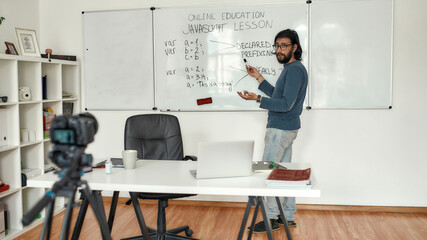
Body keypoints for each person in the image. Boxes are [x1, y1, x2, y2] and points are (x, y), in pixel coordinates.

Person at [237, 29, 308, 233]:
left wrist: (257, 99)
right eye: (277, 46)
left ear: (294, 47)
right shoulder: (292, 68)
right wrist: (258, 77)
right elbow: (278, 95)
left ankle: (270, 220)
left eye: (284, 46)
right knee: (283, 173)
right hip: (287, 128)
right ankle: (287, 216)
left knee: (267, 173)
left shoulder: (294, 70)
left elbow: (285, 104)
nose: (279, 50)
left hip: (279, 129)